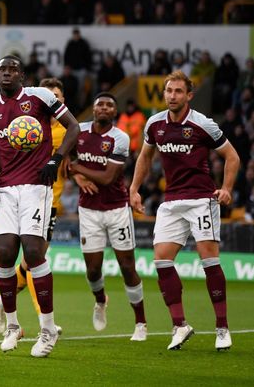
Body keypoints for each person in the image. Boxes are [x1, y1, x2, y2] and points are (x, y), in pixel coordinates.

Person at [129, 70, 240, 351]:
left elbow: (232, 156)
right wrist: (134, 189)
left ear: (189, 95)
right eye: (168, 91)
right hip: (170, 202)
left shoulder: (203, 124)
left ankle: (222, 328)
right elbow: (145, 156)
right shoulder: (154, 124)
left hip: (202, 199)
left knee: (209, 261)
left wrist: (226, 188)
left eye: (178, 91)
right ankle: (180, 325)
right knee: (161, 261)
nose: (172, 96)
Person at [0, 56, 80, 357]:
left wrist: (56, 158)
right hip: (7, 188)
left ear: (22, 75)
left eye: (13, 69)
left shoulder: (40, 97)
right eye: (2, 70)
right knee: (4, 252)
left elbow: (73, 127)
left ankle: (48, 329)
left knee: (34, 252)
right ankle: (12, 326)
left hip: (37, 186)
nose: (7, 73)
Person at [0, 78, 68, 337]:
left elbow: (76, 159)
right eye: (51, 94)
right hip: (22, 194)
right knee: (34, 256)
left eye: (58, 96)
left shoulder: (63, 131)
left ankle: (0, 301)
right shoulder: (25, 122)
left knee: (32, 259)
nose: (55, 99)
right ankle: (42, 319)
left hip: (48, 199)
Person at [68, 92, 147, 341]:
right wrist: (75, 174)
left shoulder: (120, 138)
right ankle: (101, 300)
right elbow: (61, 156)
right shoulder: (77, 131)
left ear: (115, 112)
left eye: (109, 105)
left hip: (116, 209)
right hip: (89, 211)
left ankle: (141, 322)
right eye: (99, 104)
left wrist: (76, 168)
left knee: (127, 266)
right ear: (93, 110)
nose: (103, 108)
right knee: (92, 270)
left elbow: (106, 178)